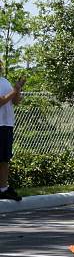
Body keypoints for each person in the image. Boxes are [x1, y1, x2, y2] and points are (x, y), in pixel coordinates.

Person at [0, 64, 25, 201]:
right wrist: (14, 89)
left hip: (7, 124)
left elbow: (15, 101)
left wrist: (18, 89)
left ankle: (3, 189)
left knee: (4, 158)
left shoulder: (5, 81)